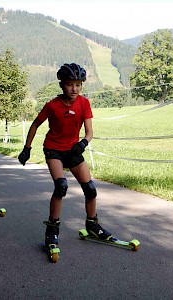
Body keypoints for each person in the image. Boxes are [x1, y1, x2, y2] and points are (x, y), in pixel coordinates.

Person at [18, 63, 112, 248]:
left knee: (91, 189)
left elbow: (89, 131)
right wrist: (27, 149)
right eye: (70, 84)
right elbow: (35, 125)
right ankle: (52, 229)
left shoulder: (84, 103)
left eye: (78, 84)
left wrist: (83, 143)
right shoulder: (52, 106)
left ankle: (92, 224)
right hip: (53, 149)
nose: (74, 89)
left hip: (73, 150)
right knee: (61, 186)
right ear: (62, 84)